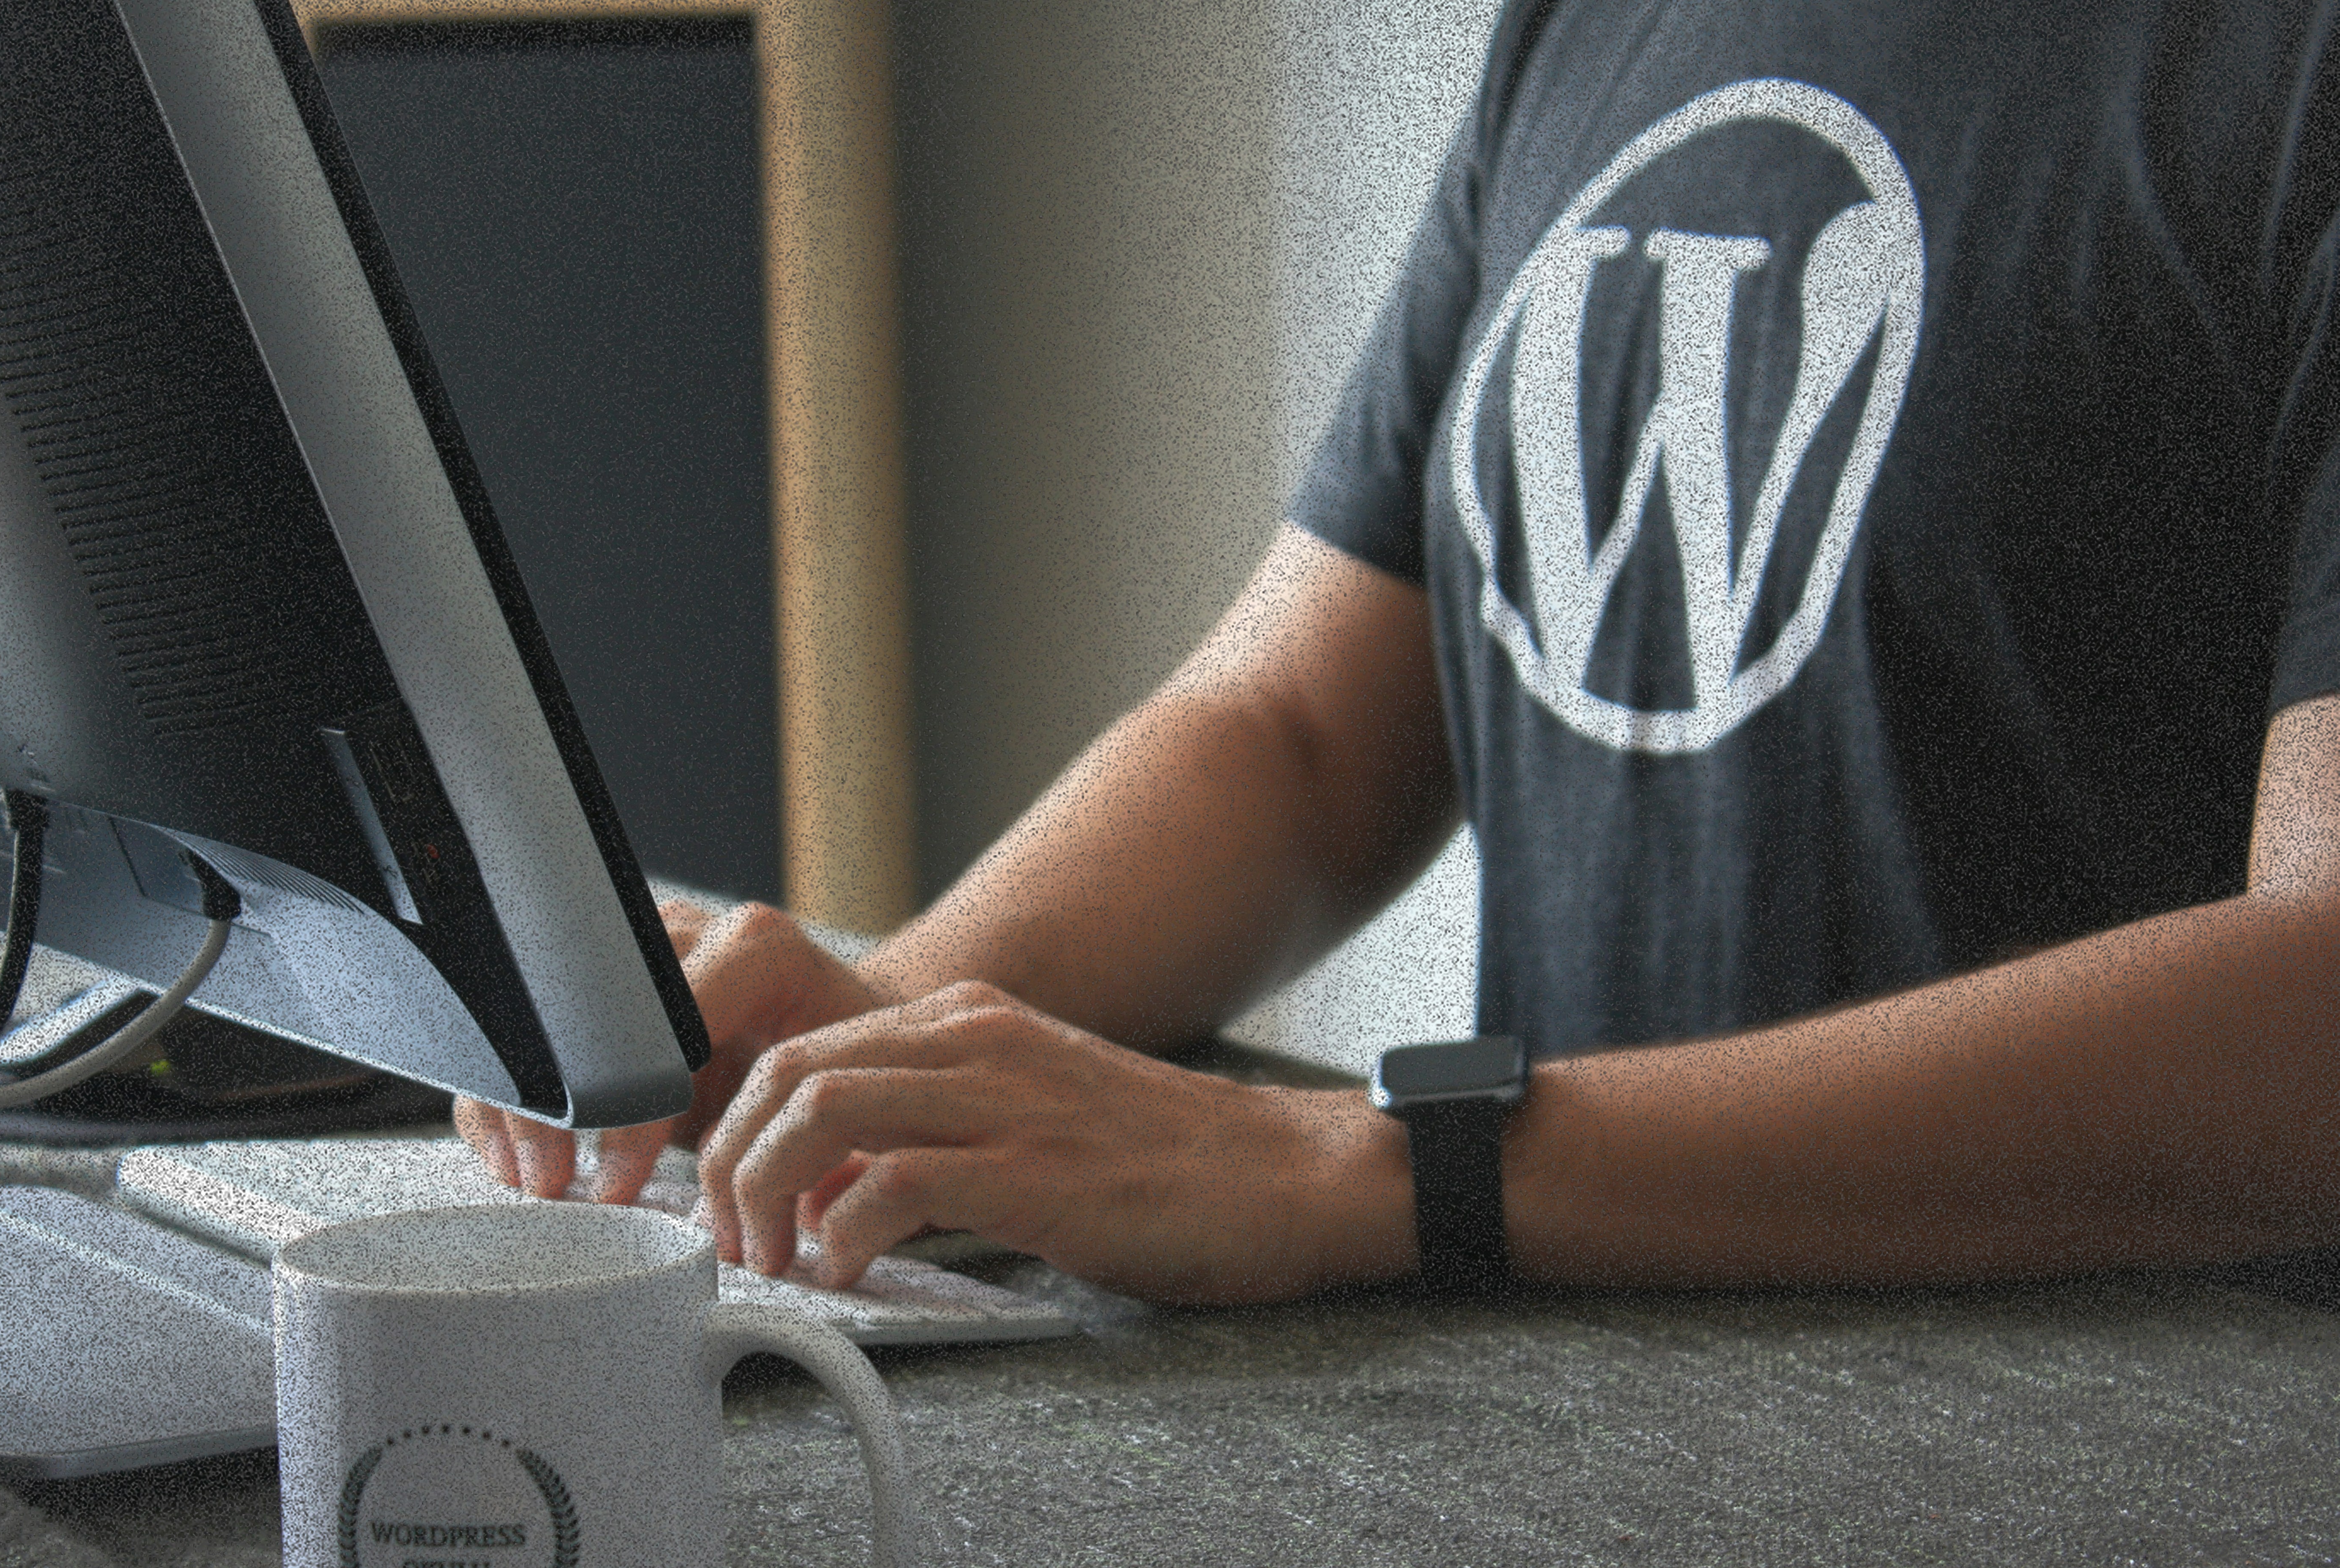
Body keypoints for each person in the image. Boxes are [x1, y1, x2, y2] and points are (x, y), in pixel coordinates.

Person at [460, 0, 2340, 1306]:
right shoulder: (1592, 29)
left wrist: (1370, 1168)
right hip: (1598, 1404)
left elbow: (2318, 1000)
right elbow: (1295, 725)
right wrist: (897, 1045)